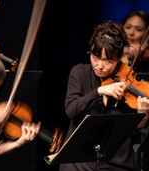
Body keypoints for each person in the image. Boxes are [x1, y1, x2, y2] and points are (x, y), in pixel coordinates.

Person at [60, 21, 149, 171]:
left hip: (117, 162)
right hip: (78, 163)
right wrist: (99, 92)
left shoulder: (127, 81)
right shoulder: (79, 73)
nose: (99, 66)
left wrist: (143, 115)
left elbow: (134, 130)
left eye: (108, 61)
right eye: (96, 57)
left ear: (120, 58)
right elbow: (71, 110)